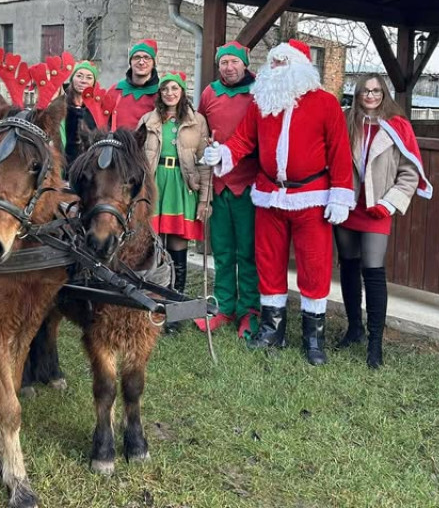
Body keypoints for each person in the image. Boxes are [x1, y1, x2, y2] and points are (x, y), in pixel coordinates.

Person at [203, 39, 353, 366]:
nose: (277, 69)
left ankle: (313, 338)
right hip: (269, 195)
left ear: (300, 65)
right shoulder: (262, 102)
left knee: (314, 265)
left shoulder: (325, 103)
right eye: (273, 63)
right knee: (268, 261)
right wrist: (223, 153)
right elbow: (244, 138)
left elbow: (339, 151)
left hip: (310, 197)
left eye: (284, 63)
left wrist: (341, 194)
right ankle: (272, 329)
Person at [334, 73, 432, 369]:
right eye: (365, 90)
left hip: (377, 208)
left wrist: (389, 203)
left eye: (376, 90)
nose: (371, 95)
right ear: (358, 93)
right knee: (348, 266)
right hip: (348, 205)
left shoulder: (398, 126)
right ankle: (354, 329)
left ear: (384, 93)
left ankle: (375, 343)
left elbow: (410, 173)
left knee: (373, 270)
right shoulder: (345, 122)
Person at [195, 41, 260, 337]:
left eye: (233, 62)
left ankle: (250, 309)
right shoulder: (210, 92)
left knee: (247, 250)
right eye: (223, 63)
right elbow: (198, 126)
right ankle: (223, 305)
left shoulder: (259, 91)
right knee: (221, 250)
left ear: (244, 64)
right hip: (218, 184)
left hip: (248, 183)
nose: (228, 67)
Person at [139, 71, 212, 311]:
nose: (170, 93)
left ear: (182, 92)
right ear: (160, 93)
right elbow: (136, 158)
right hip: (156, 182)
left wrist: (204, 200)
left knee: (178, 242)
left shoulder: (196, 121)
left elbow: (204, 161)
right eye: (165, 89)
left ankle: (177, 303)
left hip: (182, 184)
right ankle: (154, 298)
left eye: (175, 89)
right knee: (154, 242)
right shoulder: (148, 120)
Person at [110, 39, 160, 130]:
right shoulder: (115, 91)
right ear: (130, 62)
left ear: (153, 63)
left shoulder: (161, 94)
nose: (141, 62)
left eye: (146, 58)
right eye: (136, 57)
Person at [61, 60, 100, 164]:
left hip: (88, 165)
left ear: (94, 83)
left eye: (89, 77)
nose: (83, 81)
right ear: (72, 79)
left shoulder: (97, 110)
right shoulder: (61, 105)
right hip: (63, 164)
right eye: (79, 76)